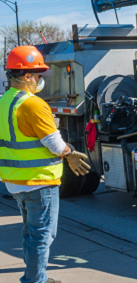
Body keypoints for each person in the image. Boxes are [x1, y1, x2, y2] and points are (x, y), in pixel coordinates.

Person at [0, 45, 91, 283]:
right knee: (42, 236)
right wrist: (70, 153)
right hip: (39, 181)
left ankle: (36, 276)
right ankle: (35, 280)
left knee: (30, 233)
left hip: (15, 181)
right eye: (38, 76)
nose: (41, 81)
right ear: (28, 76)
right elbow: (54, 143)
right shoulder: (32, 104)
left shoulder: (4, 101)